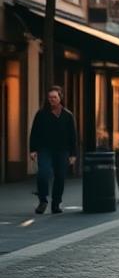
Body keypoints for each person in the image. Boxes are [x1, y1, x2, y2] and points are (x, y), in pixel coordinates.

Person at [28, 85, 78, 214]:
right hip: (45, 149)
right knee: (43, 173)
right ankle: (43, 200)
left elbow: (73, 136)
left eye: (54, 97)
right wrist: (33, 150)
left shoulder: (68, 115)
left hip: (62, 151)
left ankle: (56, 203)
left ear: (60, 98)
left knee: (60, 176)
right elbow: (34, 132)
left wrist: (73, 154)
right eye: (50, 97)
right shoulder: (41, 114)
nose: (52, 99)